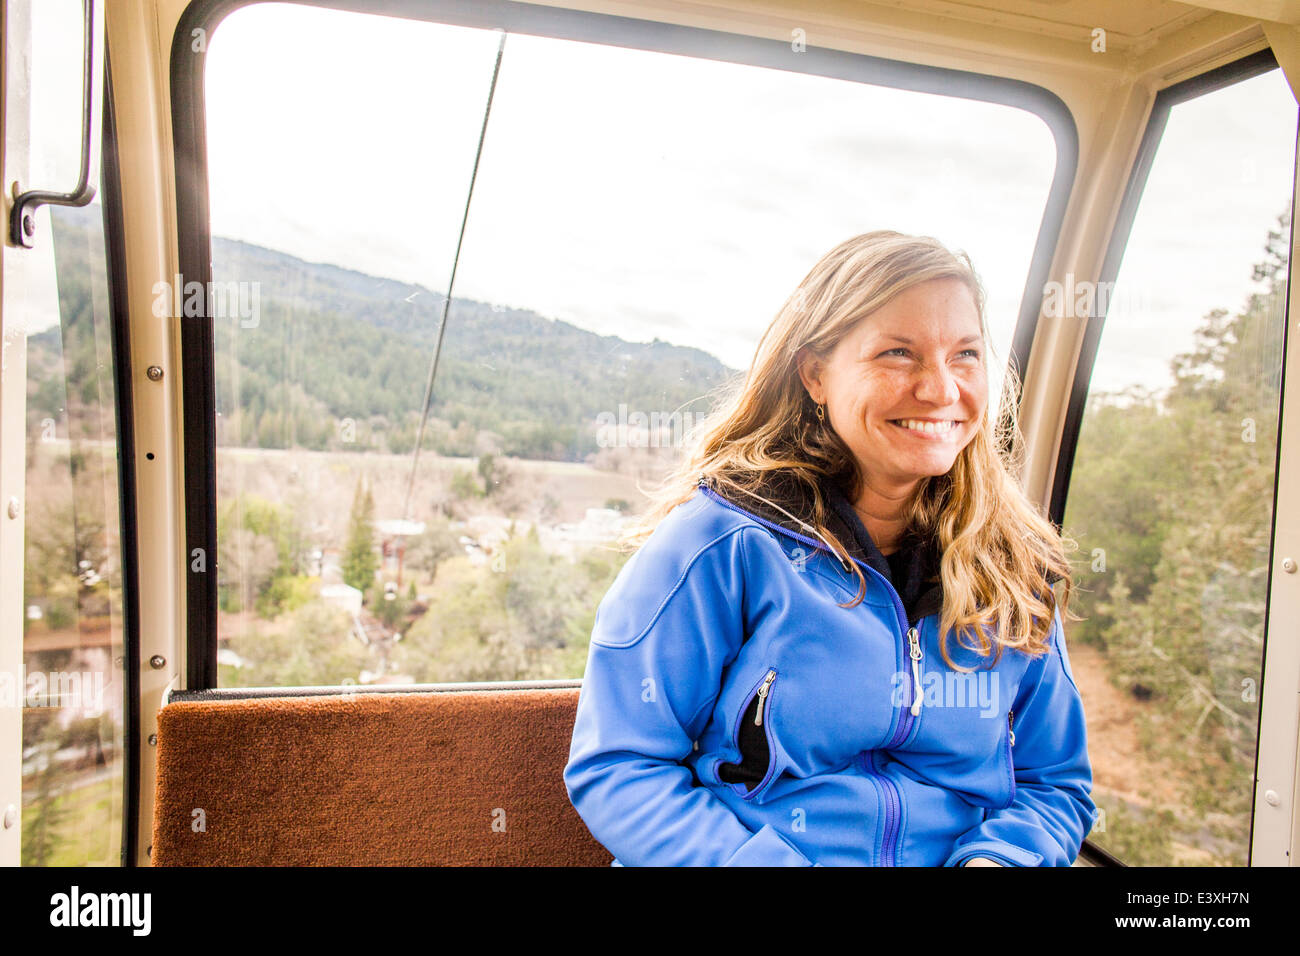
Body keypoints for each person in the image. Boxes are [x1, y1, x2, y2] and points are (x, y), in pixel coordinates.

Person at [563, 230, 1095, 866]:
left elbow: (1053, 782)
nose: (940, 389)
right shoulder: (723, 545)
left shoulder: (1010, 567)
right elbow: (621, 765)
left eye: (965, 355)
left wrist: (1000, 860)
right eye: (899, 353)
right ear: (816, 374)